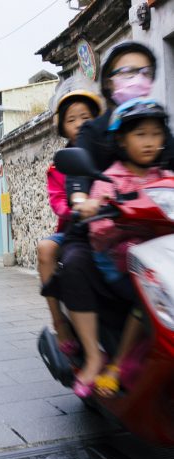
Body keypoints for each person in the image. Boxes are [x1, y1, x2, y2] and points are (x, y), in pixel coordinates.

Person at [52, 40, 174, 397]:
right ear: (108, 81)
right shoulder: (94, 130)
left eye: (145, 71)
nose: (137, 78)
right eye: (127, 71)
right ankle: (95, 357)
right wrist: (83, 201)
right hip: (103, 230)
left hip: (157, 231)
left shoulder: (159, 125)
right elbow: (78, 177)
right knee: (75, 263)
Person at [87, 99, 172, 396]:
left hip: (162, 257)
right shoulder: (109, 180)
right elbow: (98, 230)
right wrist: (108, 213)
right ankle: (117, 364)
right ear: (121, 140)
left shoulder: (166, 178)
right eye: (140, 134)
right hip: (119, 262)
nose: (149, 142)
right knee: (150, 294)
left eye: (156, 134)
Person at [37, 80, 102, 354]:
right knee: (45, 249)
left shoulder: (108, 153)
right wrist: (76, 210)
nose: (79, 124)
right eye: (71, 119)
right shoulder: (59, 165)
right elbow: (58, 202)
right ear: (62, 126)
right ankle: (59, 321)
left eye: (85, 117)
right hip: (73, 229)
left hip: (112, 225)